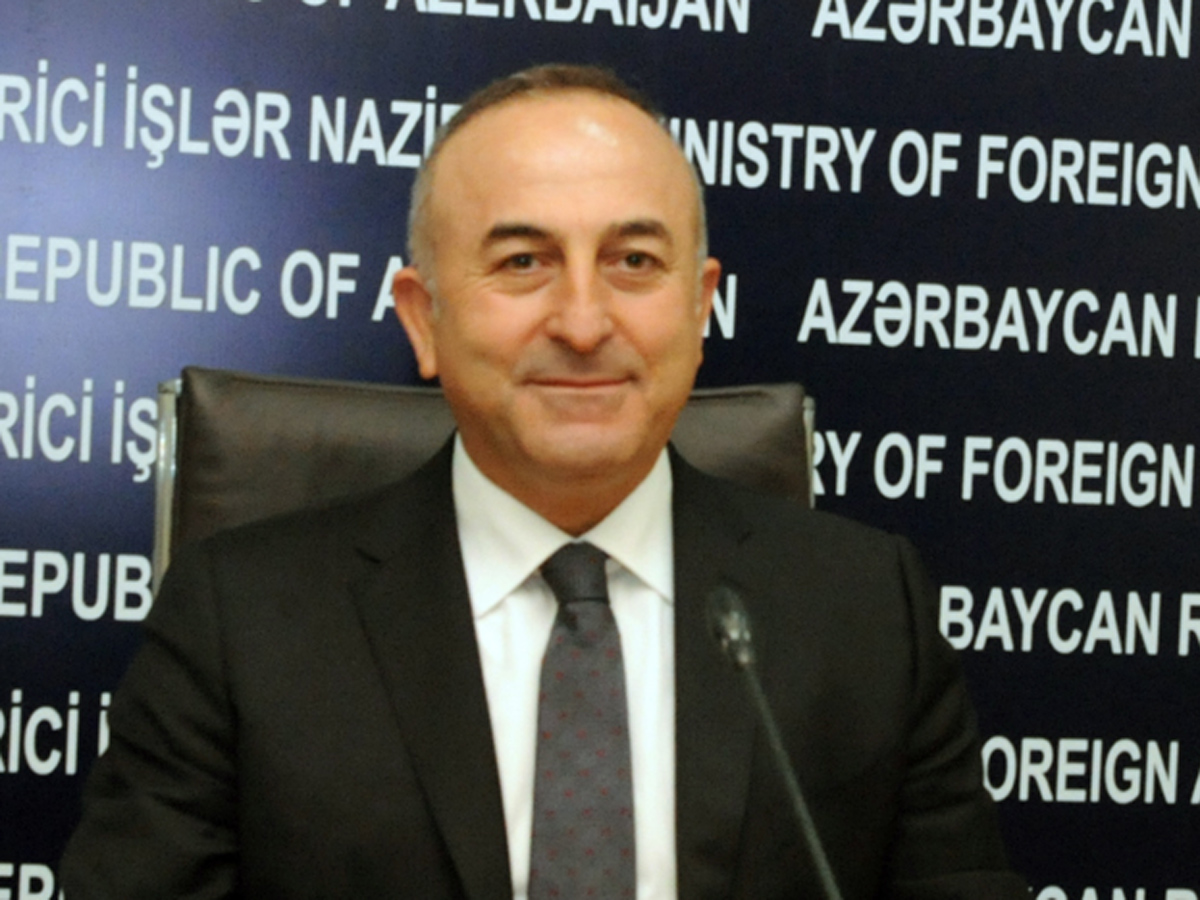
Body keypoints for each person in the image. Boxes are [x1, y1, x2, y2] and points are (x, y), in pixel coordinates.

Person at [60, 65, 1028, 899]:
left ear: (699, 310)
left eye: (634, 262)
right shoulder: (240, 621)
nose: (583, 321)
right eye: (523, 262)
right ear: (423, 319)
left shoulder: (866, 611)